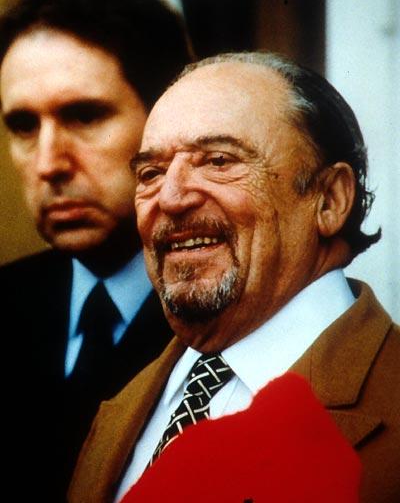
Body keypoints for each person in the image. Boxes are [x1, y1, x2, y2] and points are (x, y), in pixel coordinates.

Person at [69, 51, 400, 503]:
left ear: (329, 200)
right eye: (151, 172)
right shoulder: (124, 405)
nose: (170, 197)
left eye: (218, 161)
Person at [0, 0, 192, 502]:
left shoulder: (229, 319)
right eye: (23, 125)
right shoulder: (8, 302)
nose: (49, 163)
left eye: (84, 116)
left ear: (166, 121)